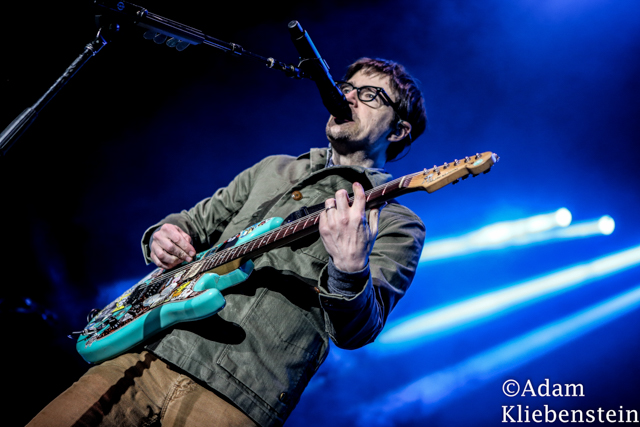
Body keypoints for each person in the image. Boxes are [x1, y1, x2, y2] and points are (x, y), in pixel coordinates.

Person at [27, 57, 428, 427]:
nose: (348, 97)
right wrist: (163, 236)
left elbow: (358, 331)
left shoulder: (398, 222)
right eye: (346, 87)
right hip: (149, 350)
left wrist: (349, 269)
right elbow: (189, 223)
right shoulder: (274, 168)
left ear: (398, 130)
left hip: (242, 392)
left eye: (370, 94)